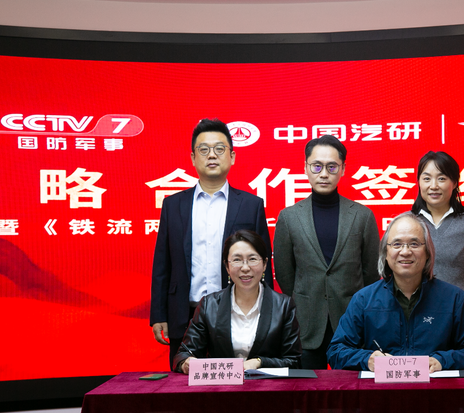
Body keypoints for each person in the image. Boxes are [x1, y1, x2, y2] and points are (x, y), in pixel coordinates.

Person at [150, 118, 273, 369]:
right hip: (184, 314)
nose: (212, 155)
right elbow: (163, 263)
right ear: (193, 158)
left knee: (236, 383)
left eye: (219, 148)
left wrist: (268, 314)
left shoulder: (251, 205)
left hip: (238, 313)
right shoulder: (173, 205)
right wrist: (159, 314)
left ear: (232, 156)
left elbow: (263, 264)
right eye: (204, 149)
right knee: (184, 382)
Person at [327, 212, 464, 372]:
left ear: (428, 252)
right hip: (382, 386)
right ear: (385, 253)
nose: (405, 252)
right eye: (397, 244)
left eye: (414, 244)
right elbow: (336, 352)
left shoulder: (455, 299)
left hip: (435, 386)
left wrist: (442, 361)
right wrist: (367, 360)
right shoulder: (364, 299)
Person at [273, 135, 380, 369]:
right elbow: (284, 272)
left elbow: (371, 273)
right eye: (317, 166)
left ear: (343, 169)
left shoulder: (362, 216)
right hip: (307, 322)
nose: (324, 174)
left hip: (352, 320)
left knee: (353, 388)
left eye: (332, 167)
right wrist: (303, 300)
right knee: (307, 388)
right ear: (305, 168)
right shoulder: (289, 217)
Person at [174, 230, 301, 373]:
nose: (245, 268)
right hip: (221, 385)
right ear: (227, 267)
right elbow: (183, 354)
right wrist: (186, 362)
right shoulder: (209, 305)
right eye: (237, 260)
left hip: (266, 385)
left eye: (252, 259)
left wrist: (259, 362)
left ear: (265, 264)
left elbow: (294, 361)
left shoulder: (283, 306)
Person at [411, 151, 464, 313]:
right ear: (419, 182)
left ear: (454, 182)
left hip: (458, 314)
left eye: (441, 178)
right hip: (414, 314)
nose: (434, 186)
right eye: (426, 178)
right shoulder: (404, 222)